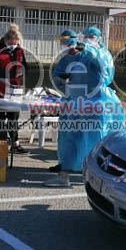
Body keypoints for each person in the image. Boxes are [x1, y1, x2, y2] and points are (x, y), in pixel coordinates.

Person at [45, 29, 105, 187]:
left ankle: (96, 176)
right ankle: (64, 174)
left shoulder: (93, 55)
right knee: (71, 138)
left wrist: (88, 48)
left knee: (95, 141)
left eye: (91, 37)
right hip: (74, 104)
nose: (65, 46)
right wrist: (62, 83)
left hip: (93, 104)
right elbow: (57, 75)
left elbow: (104, 72)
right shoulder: (67, 59)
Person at [0, 24, 28, 152]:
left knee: (13, 117)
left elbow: (24, 65)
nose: (14, 44)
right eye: (12, 42)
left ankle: (15, 143)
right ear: (6, 39)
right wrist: (8, 76)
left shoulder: (19, 51)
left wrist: (21, 71)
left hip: (14, 90)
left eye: (16, 42)